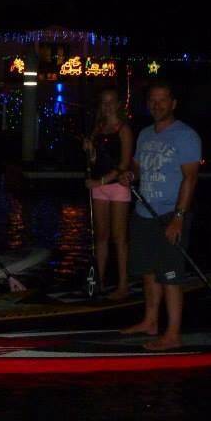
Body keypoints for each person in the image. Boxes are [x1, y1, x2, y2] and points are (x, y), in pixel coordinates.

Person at [120, 82, 201, 350]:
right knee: (148, 271)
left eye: (163, 100)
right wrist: (130, 175)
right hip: (144, 212)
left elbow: (190, 179)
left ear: (173, 103)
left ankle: (173, 333)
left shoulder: (186, 136)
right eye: (152, 100)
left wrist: (178, 217)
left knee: (170, 275)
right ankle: (151, 322)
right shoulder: (144, 134)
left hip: (169, 213)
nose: (157, 105)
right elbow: (137, 168)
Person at [82, 88, 134, 299]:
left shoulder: (124, 129)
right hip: (99, 188)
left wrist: (100, 181)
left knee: (119, 238)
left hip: (117, 186)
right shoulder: (98, 129)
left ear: (118, 104)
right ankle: (100, 283)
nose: (108, 105)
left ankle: (123, 285)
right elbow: (95, 161)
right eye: (104, 102)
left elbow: (124, 164)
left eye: (111, 101)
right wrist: (89, 150)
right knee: (101, 237)